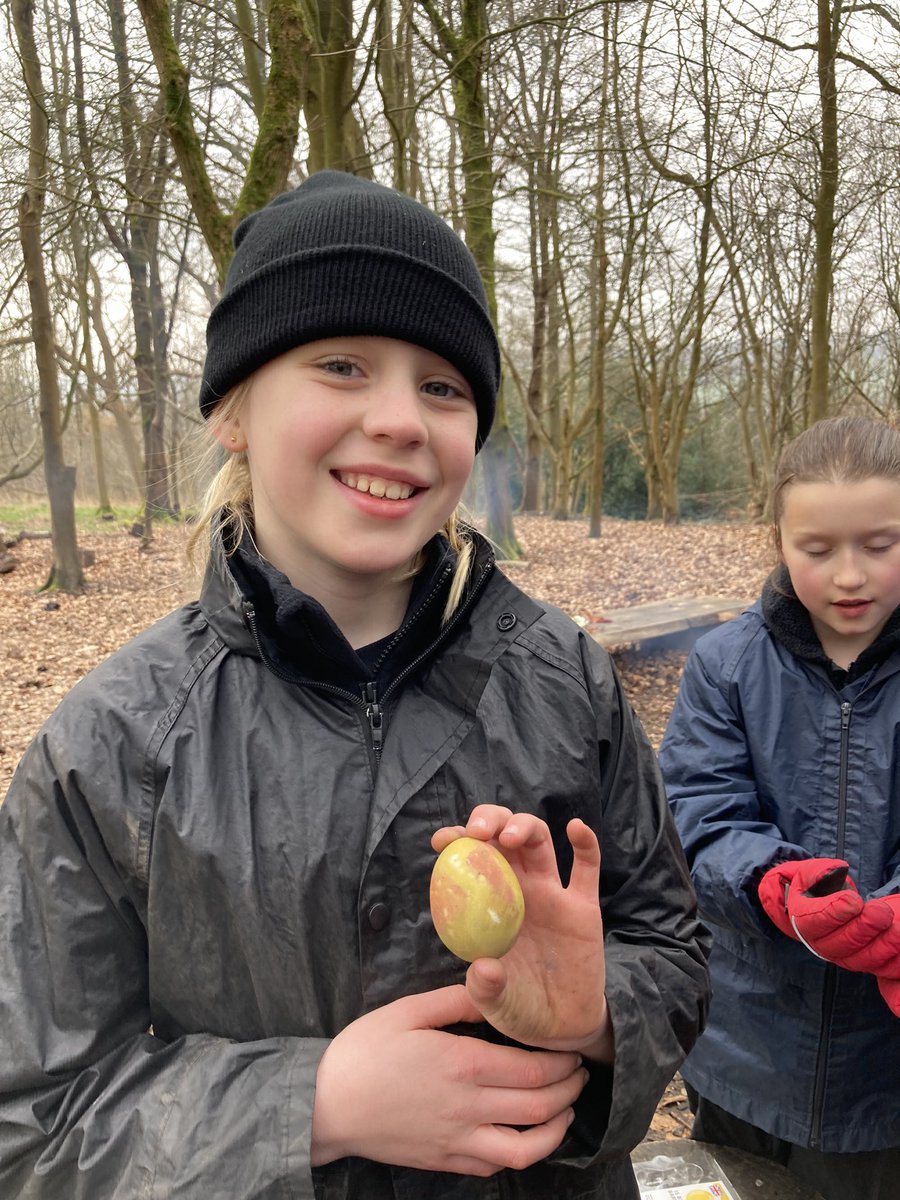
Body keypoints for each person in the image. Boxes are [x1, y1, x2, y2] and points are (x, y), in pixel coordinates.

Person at [0, 169, 710, 1199]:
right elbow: (34, 1123)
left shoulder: (563, 679)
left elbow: (672, 947)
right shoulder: (114, 743)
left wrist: (600, 1013)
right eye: (341, 364)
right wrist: (316, 1102)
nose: (399, 420)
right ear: (234, 411)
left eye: (442, 386)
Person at [659, 414, 900, 1200]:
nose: (850, 576)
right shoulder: (726, 665)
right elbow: (696, 811)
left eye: (880, 544)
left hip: (884, 1076)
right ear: (779, 540)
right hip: (744, 1051)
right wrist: (771, 880)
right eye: (818, 549)